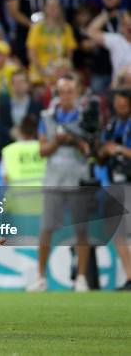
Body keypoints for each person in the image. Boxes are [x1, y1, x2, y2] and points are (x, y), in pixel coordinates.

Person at [27, 75, 91, 292]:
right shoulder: (47, 117)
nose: (66, 95)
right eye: (62, 91)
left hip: (78, 176)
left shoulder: (85, 117)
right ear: (57, 94)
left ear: (77, 93)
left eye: (70, 91)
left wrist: (74, 141)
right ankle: (40, 277)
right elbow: (42, 150)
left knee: (81, 229)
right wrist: (57, 141)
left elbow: (90, 149)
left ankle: (81, 278)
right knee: (46, 228)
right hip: (53, 178)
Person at [98, 90, 131, 291]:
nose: (119, 108)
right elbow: (102, 157)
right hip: (114, 183)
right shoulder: (111, 124)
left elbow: (118, 150)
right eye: (117, 104)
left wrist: (118, 150)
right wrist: (103, 151)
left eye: (123, 105)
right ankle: (129, 275)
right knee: (116, 231)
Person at [27, 0, 76, 85]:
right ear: (45, 8)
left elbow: (69, 54)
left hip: (60, 73)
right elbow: (32, 53)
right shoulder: (37, 28)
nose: (53, 9)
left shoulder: (66, 28)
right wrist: (42, 72)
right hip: (39, 73)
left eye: (56, 6)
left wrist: (64, 71)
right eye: (50, 6)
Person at [0, 70, 43, 148]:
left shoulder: (37, 105)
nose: (18, 85)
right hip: (9, 145)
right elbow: (0, 126)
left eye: (21, 82)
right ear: (11, 85)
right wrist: (10, 131)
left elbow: (40, 126)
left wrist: (28, 134)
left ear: (28, 85)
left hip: (32, 145)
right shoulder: (4, 105)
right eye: (15, 82)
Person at [87, 9, 131, 89]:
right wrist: (106, 15)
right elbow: (91, 32)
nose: (129, 27)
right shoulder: (116, 39)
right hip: (118, 87)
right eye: (125, 24)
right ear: (121, 25)